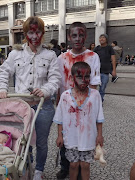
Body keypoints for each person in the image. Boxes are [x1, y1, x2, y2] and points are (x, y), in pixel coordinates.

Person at [0, 16, 61, 180]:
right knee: (23, 140)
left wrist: (45, 90)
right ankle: (26, 165)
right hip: (21, 106)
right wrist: (3, 89)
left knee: (41, 142)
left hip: (43, 106)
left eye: (38, 31)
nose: (34, 36)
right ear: (25, 34)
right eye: (31, 32)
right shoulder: (15, 54)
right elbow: (4, 72)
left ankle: (38, 171)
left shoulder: (50, 55)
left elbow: (55, 79)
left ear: (42, 33)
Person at [56, 22, 101, 180]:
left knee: (83, 136)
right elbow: (59, 83)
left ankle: (82, 170)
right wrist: (58, 105)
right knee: (66, 139)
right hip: (67, 104)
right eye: (74, 35)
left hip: (85, 103)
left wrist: (93, 105)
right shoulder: (62, 58)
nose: (77, 39)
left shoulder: (93, 56)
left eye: (81, 35)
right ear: (69, 37)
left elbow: (94, 82)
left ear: (86, 36)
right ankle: (65, 167)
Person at [54, 62, 104, 180]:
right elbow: (60, 119)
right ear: (72, 78)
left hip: (88, 138)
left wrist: (100, 136)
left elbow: (99, 118)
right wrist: (59, 136)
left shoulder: (95, 95)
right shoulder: (65, 96)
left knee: (85, 165)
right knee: (73, 164)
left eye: (86, 76)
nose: (83, 80)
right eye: (79, 77)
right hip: (71, 138)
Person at [93, 34, 117, 101]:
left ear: (106, 39)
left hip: (105, 71)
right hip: (96, 72)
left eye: (103, 38)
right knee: (93, 88)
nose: (101, 39)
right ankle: (94, 100)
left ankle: (100, 101)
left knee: (102, 88)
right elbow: (91, 57)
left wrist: (114, 70)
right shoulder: (97, 48)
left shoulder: (109, 48)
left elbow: (113, 60)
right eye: (100, 38)